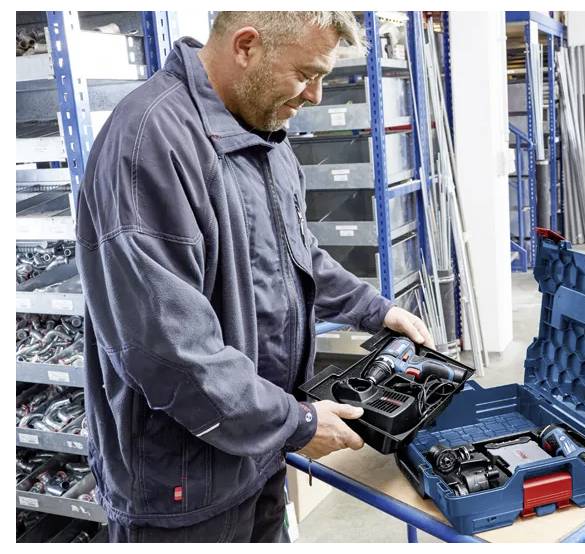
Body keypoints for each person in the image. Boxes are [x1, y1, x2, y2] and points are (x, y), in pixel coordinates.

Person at [75, 11, 433, 543]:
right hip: (183, 482)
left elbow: (294, 252)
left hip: (257, 450)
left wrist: (374, 309)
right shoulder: (149, 144)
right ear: (246, 46)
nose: (314, 96)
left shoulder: (264, 131)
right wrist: (297, 424)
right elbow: (170, 351)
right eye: (306, 73)